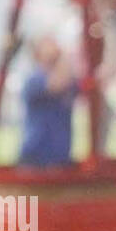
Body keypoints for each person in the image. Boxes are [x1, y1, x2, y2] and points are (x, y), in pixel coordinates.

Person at [17, 34, 78, 168]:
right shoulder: (34, 80)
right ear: (37, 53)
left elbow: (98, 80)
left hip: (60, 160)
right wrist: (65, 55)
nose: (55, 45)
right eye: (48, 43)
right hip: (35, 160)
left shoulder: (70, 80)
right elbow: (58, 84)